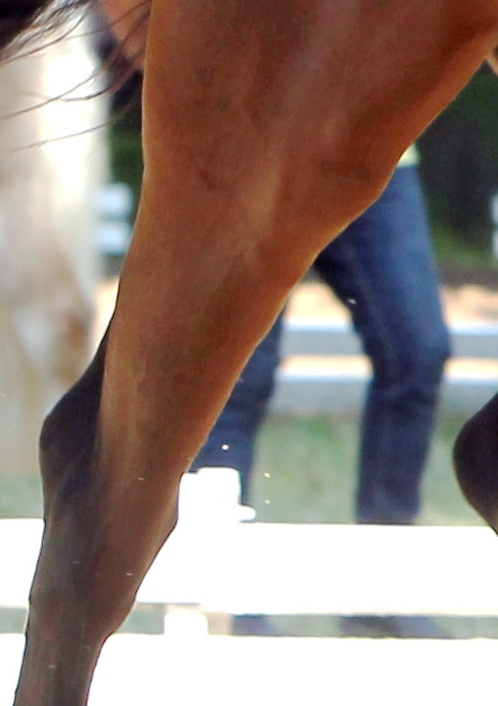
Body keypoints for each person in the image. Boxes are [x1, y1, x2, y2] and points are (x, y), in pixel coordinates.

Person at [191, 154, 456, 542]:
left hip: (376, 153)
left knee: (416, 352)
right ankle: (217, 575)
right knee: (237, 376)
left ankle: (386, 581)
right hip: (249, 153)